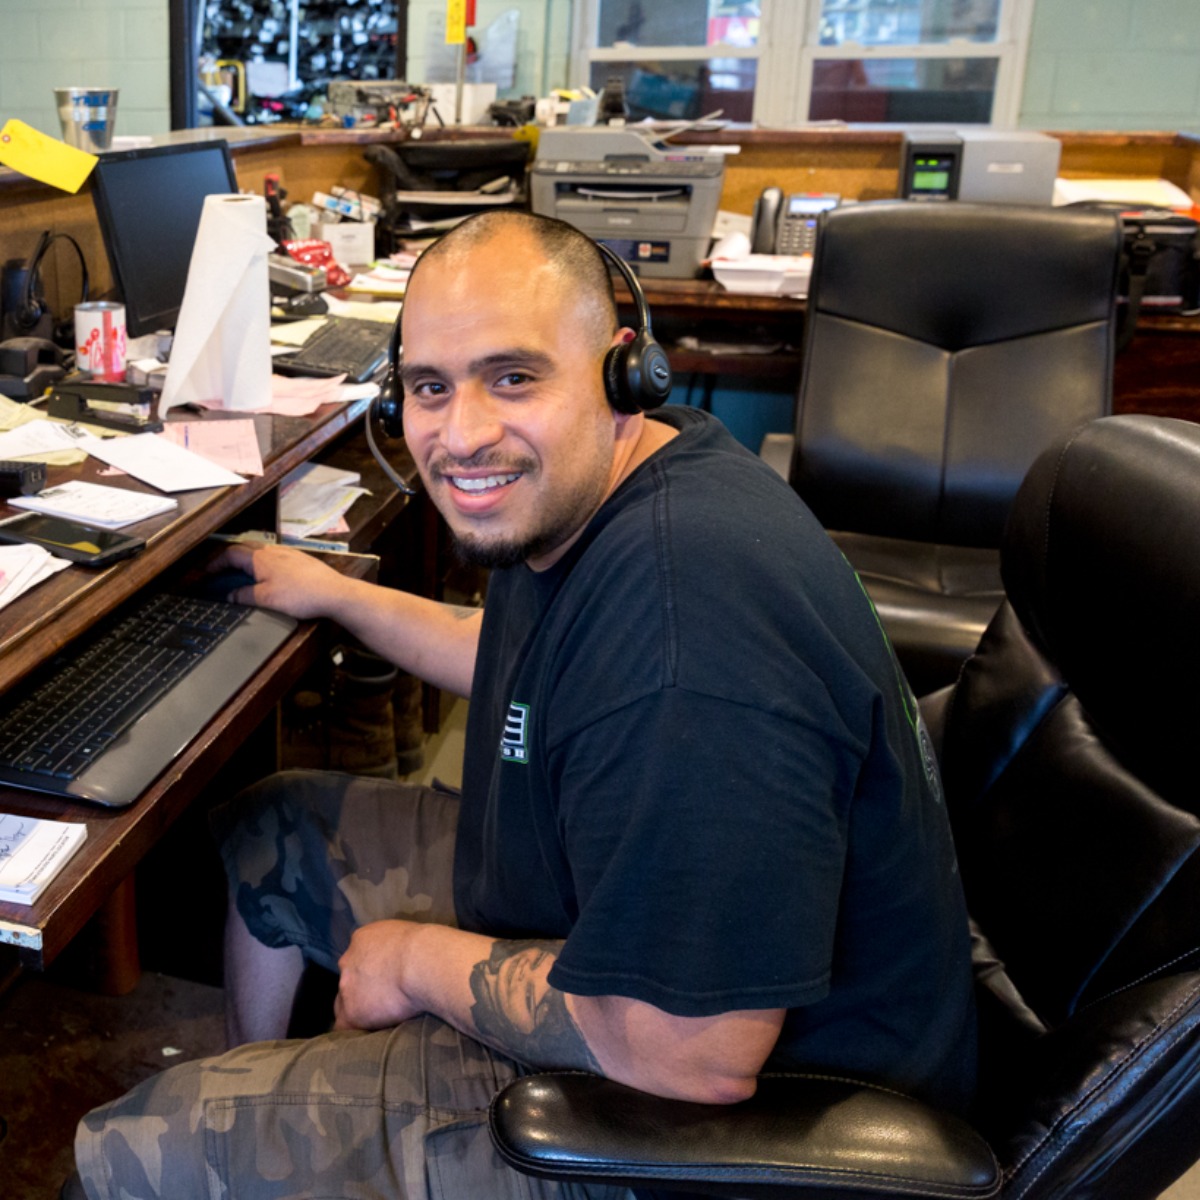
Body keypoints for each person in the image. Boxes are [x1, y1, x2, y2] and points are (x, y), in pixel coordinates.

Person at [70, 211, 976, 1200]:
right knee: (271, 829)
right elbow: (526, 659)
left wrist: (413, 962)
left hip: (725, 1121)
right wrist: (338, 595)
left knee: (130, 1147)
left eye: (513, 378)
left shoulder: (688, 635)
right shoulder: (618, 483)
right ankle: (274, 1142)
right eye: (430, 387)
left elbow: (691, 1057)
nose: (462, 436)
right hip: (610, 928)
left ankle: (240, 1147)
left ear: (622, 373)